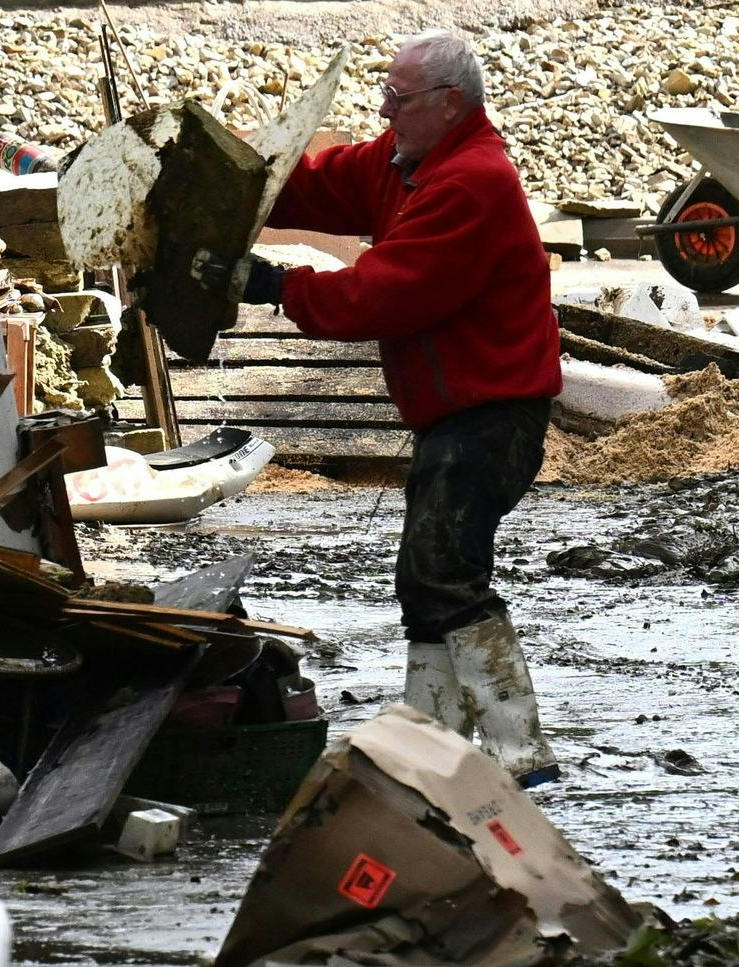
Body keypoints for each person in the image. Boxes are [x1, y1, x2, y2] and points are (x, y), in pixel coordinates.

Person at [231, 30, 566, 782]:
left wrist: (278, 287)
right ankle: (434, 746)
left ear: (450, 105)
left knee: (443, 572)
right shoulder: (405, 160)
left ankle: (519, 753)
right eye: (385, 94)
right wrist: (240, 180)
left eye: (399, 98)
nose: (384, 111)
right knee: (428, 578)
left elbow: (387, 292)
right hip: (460, 412)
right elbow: (316, 185)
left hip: (494, 413)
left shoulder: (470, 181)